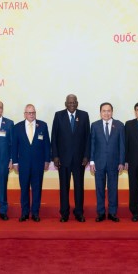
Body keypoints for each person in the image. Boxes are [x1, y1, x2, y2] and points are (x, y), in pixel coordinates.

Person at [51, 94, 91, 223]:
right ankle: (64, 213)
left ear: (77, 103)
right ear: (65, 104)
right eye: (70, 102)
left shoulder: (84, 115)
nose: (72, 104)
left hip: (79, 160)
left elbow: (88, 138)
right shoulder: (58, 116)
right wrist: (55, 156)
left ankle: (79, 212)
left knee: (79, 187)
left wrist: (86, 156)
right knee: (64, 188)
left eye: (74, 102)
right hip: (63, 160)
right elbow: (54, 137)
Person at [12, 104, 50, 222]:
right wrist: (15, 162)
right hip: (23, 164)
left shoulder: (43, 125)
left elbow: (47, 145)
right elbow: (14, 146)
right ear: (25, 114)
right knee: (24, 189)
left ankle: (35, 213)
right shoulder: (17, 127)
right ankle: (24, 213)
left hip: (38, 164)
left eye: (33, 112)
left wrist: (47, 160)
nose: (31, 115)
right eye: (29, 113)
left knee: (37, 189)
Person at [90, 102, 125, 222]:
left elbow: (122, 145)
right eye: (104, 111)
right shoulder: (95, 125)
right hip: (98, 162)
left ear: (112, 112)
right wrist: (92, 162)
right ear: (100, 112)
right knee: (99, 188)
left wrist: (121, 162)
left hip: (114, 162)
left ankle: (112, 212)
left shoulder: (119, 125)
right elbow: (92, 144)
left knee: (113, 188)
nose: (106, 113)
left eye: (108, 111)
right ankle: (100, 213)